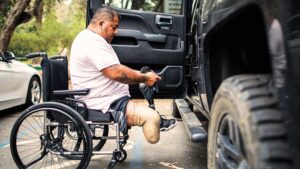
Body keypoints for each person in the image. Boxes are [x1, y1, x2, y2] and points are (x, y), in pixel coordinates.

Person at [70, 7, 177, 144]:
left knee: (142, 78)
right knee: (152, 119)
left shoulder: (91, 38)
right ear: (101, 23)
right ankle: (156, 117)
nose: (116, 31)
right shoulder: (92, 42)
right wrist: (144, 77)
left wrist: (142, 77)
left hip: (107, 97)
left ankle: (153, 111)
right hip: (104, 102)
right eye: (113, 27)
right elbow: (116, 72)